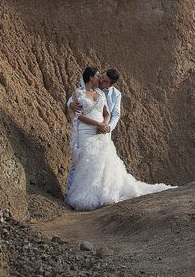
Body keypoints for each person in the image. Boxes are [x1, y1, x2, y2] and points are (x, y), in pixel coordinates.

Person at [65, 67, 173, 211]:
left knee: (102, 164)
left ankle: (102, 192)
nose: (102, 80)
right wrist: (71, 104)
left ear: (111, 83)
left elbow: (113, 114)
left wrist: (106, 126)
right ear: (94, 77)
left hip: (103, 130)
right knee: (81, 162)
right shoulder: (83, 91)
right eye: (101, 77)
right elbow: (73, 103)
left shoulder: (114, 94)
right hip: (85, 131)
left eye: (105, 80)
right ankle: (73, 192)